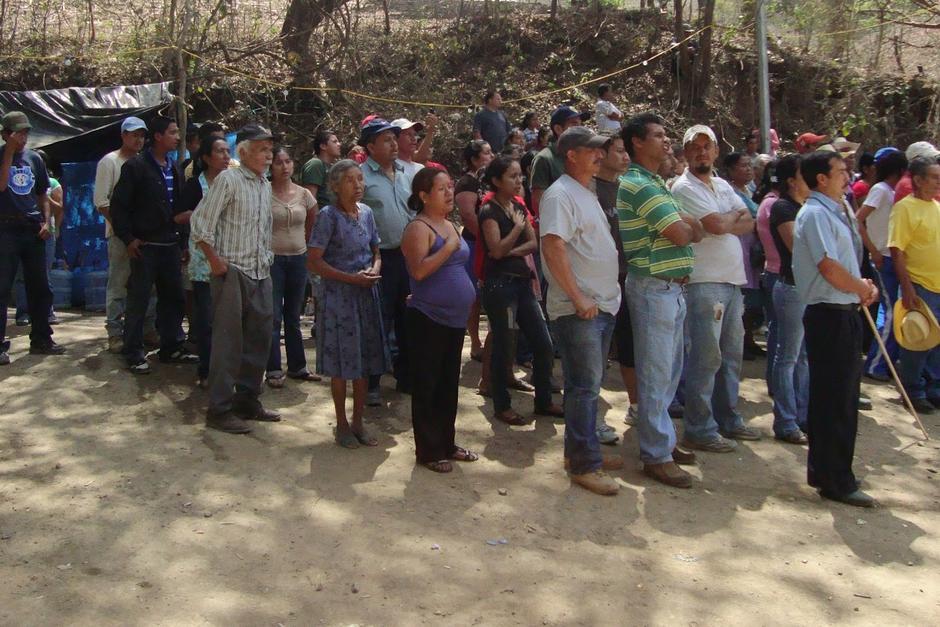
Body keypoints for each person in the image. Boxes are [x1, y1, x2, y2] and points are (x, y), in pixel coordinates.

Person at [619, 113, 703, 489]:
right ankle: (656, 454)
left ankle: (663, 440)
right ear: (637, 142)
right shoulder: (639, 185)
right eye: (657, 135)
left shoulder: (656, 183)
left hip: (670, 288)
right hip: (654, 287)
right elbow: (684, 232)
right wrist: (688, 228)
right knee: (655, 374)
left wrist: (688, 228)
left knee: (668, 371)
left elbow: (692, 227)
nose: (665, 141)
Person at [792, 151, 879, 508]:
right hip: (828, 314)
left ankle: (831, 471)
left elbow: (843, 264)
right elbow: (828, 267)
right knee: (834, 400)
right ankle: (835, 480)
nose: (848, 176)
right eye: (841, 171)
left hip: (843, 310)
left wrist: (862, 286)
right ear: (821, 179)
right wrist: (860, 287)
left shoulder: (836, 211)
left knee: (840, 397)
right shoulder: (814, 214)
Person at [540, 126, 624, 496]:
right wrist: (577, 298)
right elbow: (553, 246)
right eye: (591, 150)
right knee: (584, 388)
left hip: (600, 305)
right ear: (571, 154)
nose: (599, 155)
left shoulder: (584, 190)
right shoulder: (560, 195)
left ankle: (582, 452)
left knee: (587, 387)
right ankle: (584, 464)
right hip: (581, 310)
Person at [671, 124, 759, 453]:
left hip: (733, 281)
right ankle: (699, 426)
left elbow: (751, 222)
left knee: (731, 356)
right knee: (706, 358)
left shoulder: (722, 185)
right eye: (694, 147)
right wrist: (731, 217)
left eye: (707, 146)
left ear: (716, 151)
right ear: (686, 153)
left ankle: (727, 417)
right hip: (703, 283)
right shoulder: (684, 187)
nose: (701, 152)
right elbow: (719, 225)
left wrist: (729, 218)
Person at [191, 124, 281, 435]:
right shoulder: (228, 180)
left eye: (270, 150)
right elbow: (200, 223)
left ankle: (247, 401)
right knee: (229, 343)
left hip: (260, 270)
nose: (268, 156)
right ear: (243, 152)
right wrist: (215, 261)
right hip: (233, 272)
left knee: (259, 340)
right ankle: (219, 409)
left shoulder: (263, 184)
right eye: (261, 150)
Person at [401, 167, 479, 472]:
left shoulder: (449, 224)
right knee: (428, 384)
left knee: (448, 384)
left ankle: (447, 442)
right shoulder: (418, 228)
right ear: (423, 196)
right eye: (441, 189)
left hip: (454, 319)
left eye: (450, 187)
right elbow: (418, 271)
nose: (449, 193)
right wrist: (447, 247)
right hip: (428, 317)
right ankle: (429, 451)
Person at [308, 159, 389, 448]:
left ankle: (358, 421)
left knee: (364, 361)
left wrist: (375, 268)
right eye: (350, 180)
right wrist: (349, 278)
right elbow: (314, 261)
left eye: (360, 179)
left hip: (366, 295)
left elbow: (375, 249)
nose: (358, 185)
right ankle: (341, 423)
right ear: (335, 186)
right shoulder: (328, 216)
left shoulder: (366, 213)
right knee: (342, 364)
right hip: (339, 298)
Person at [479, 156, 563, 425]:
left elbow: (532, 244)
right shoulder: (489, 210)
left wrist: (508, 247)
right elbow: (495, 250)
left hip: (522, 282)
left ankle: (543, 401)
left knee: (543, 342)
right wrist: (515, 228)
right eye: (512, 176)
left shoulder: (517, 204)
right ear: (496, 181)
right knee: (504, 345)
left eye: (519, 176)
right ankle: (502, 405)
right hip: (499, 284)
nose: (519, 181)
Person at [110, 116, 196, 374]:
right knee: (139, 300)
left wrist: (182, 241)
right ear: (158, 137)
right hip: (145, 245)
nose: (177, 137)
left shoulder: (174, 168)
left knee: (174, 298)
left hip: (170, 245)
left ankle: (171, 347)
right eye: (172, 132)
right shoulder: (135, 167)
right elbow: (119, 207)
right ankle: (133, 351)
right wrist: (128, 239)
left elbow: (178, 208)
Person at [0, 111, 66, 365]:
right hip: (5, 229)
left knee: (40, 287)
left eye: (26, 132)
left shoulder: (35, 159)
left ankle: (41, 339)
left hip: (32, 228)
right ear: (6, 134)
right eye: (18, 132)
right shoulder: (2, 155)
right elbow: (3, 186)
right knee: (3, 289)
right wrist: (8, 151)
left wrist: (45, 221)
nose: (24, 137)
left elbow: (42, 193)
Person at [359, 118, 414, 403]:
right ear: (370, 147)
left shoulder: (406, 173)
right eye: (387, 140)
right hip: (377, 258)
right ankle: (371, 384)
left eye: (395, 138)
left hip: (407, 258)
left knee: (408, 318)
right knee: (378, 320)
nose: (394, 144)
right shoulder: (360, 177)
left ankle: (406, 378)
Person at [94, 116, 154, 353]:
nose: (138, 139)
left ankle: (147, 329)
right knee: (118, 284)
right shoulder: (110, 162)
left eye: (141, 135)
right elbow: (101, 202)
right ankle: (114, 333)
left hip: (145, 237)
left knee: (147, 285)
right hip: (120, 236)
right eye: (133, 134)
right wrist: (124, 232)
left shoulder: (145, 163)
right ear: (123, 136)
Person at [177, 135, 231, 388]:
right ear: (207, 158)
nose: (226, 156)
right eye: (220, 152)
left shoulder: (234, 183)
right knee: (207, 319)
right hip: (202, 260)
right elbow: (177, 216)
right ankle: (207, 370)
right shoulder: (194, 186)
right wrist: (200, 213)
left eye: (227, 151)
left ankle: (229, 369)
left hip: (231, 256)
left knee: (229, 319)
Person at [265, 146, 320, 388]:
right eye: (279, 162)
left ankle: (298, 366)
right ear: (270, 166)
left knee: (293, 316)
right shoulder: (262, 192)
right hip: (272, 260)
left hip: (298, 259)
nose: (285, 166)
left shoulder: (304, 194)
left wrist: (306, 249)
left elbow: (312, 221)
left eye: (288, 161)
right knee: (274, 315)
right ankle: (274, 368)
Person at [890, 156, 940, 414]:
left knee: (936, 342)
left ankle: (934, 388)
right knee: (918, 341)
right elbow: (896, 250)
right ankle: (912, 389)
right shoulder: (905, 208)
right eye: (934, 177)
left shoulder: (935, 206)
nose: (938, 182)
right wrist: (908, 288)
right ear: (918, 180)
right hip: (920, 286)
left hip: (938, 285)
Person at [767, 154, 811, 444]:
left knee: (802, 357)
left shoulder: (805, 207)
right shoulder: (783, 208)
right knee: (788, 356)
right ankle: (786, 421)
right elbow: (799, 247)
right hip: (791, 288)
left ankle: (802, 414)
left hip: (806, 289)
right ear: (791, 180)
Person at [594, 133, 633, 441]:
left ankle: (637, 407)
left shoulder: (627, 189)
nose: (625, 157)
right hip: (599, 282)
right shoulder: (589, 190)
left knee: (630, 348)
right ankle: (591, 419)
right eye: (619, 151)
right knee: (596, 354)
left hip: (629, 277)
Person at [856, 149, 908, 381]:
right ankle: (875, 365)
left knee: (892, 310)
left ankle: (885, 361)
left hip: (892, 256)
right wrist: (873, 250)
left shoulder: (893, 191)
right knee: (890, 312)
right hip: (883, 257)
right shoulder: (880, 190)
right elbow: (858, 219)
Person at [455, 139, 495, 361]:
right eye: (487, 153)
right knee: (474, 295)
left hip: (494, 244)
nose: (491, 156)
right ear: (474, 159)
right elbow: (468, 216)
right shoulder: (467, 183)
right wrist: (488, 240)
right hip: (474, 244)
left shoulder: (490, 180)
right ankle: (476, 343)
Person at [723, 151, 765, 360]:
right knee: (746, 299)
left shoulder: (750, 189)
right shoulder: (728, 191)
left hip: (753, 247)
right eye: (742, 166)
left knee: (754, 297)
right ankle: (742, 340)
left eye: (750, 165)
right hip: (741, 246)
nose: (748, 169)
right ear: (730, 170)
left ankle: (748, 339)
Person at [14, 149, 62, 326]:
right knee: (21, 276)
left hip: (46, 231)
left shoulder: (53, 183)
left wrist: (46, 197)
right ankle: (23, 312)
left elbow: (59, 209)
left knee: (44, 274)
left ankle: (47, 312)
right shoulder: (19, 181)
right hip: (23, 230)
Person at [529, 105, 590, 216]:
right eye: (574, 124)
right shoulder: (544, 158)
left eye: (580, 124)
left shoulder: (584, 156)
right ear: (558, 129)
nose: (580, 129)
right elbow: (538, 202)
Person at [754, 160, 782, 394]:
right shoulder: (773, 205)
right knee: (783, 340)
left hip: (777, 274)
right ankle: (779, 387)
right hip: (778, 274)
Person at [301, 129, 342, 211]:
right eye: (334, 142)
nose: (339, 144)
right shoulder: (315, 164)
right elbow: (310, 200)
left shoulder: (331, 167)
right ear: (323, 146)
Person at [392, 114, 438, 179]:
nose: (413, 138)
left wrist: (431, 130)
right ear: (395, 138)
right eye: (408, 134)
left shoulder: (420, 168)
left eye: (414, 134)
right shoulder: (390, 167)